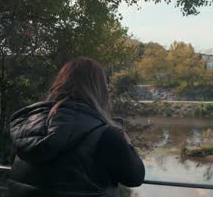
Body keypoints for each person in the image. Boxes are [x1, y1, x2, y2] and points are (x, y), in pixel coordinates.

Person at [8, 57, 145, 197]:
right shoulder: (107, 135)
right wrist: (127, 144)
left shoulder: (28, 126)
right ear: (101, 90)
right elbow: (135, 178)